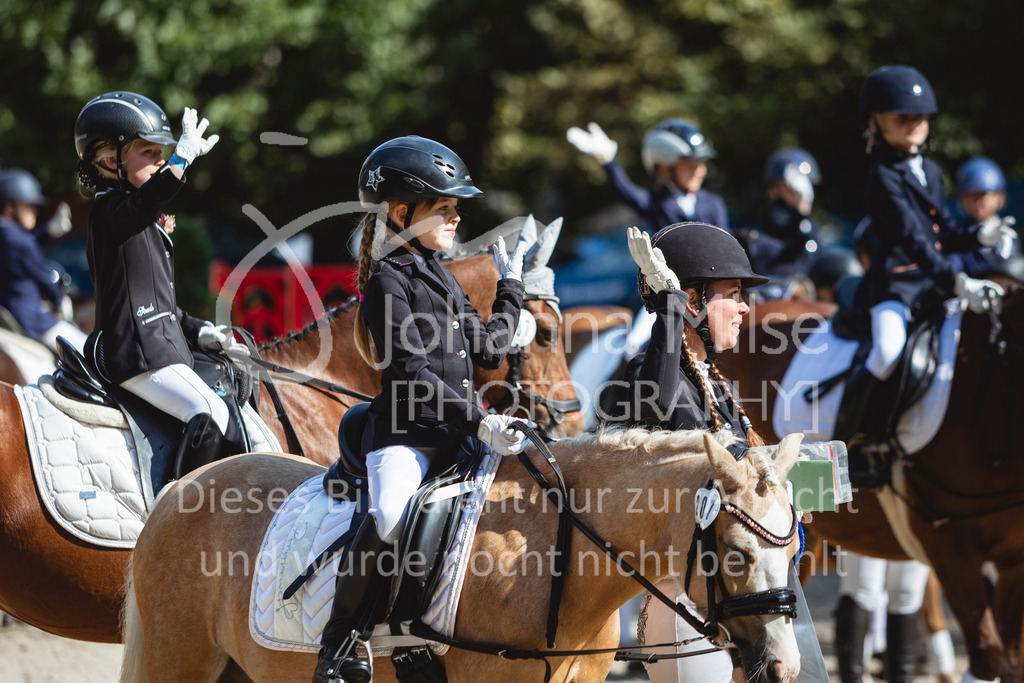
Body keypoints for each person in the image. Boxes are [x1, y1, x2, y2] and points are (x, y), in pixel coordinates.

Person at [314, 135, 535, 683]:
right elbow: (413, 375)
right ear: (401, 212)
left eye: (457, 208)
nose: (457, 218)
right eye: (445, 208)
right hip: (406, 434)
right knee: (389, 514)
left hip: (457, 433)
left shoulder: (439, 272)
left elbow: (488, 349)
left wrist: (510, 287)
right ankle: (339, 645)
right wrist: (480, 421)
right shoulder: (387, 282)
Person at [623, 221, 768, 682]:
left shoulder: (714, 380)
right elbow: (659, 404)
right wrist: (668, 308)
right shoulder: (649, 378)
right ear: (692, 302)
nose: (745, 308)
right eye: (734, 294)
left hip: (733, 588)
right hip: (687, 601)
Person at [834, 65, 1007, 447]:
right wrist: (958, 282)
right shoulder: (882, 177)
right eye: (903, 117)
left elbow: (941, 234)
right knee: (887, 352)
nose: (914, 123)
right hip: (894, 287)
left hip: (931, 285)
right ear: (877, 122)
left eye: (920, 116)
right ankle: (850, 441)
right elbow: (914, 241)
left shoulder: (929, 168)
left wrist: (980, 235)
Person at [74, 91, 234, 481]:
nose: (161, 159)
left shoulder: (136, 214)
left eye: (163, 153)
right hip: (133, 352)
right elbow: (147, 202)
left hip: (160, 346)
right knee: (211, 412)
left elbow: (162, 305)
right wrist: (181, 160)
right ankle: (177, 519)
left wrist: (201, 331)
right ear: (112, 161)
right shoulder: (110, 210)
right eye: (149, 152)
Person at [567, 119, 729, 231]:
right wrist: (608, 160)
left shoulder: (714, 203)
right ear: (666, 169)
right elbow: (626, 191)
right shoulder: (656, 203)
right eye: (690, 166)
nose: (699, 172)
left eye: (700, 165)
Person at [0, 168, 87, 352]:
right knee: (86, 351)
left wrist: (47, 232)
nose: (35, 212)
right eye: (28, 206)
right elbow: (42, 276)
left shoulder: (9, 236)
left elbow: (23, 245)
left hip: (8, 313)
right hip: (30, 319)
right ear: (9, 207)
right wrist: (59, 301)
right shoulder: (20, 242)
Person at [744, 147, 824, 281]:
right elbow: (790, 247)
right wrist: (801, 210)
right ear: (774, 190)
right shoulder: (775, 216)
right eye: (789, 188)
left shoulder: (810, 223)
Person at [953, 156, 1018, 279]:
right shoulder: (956, 236)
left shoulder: (1010, 236)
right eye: (972, 196)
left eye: (983, 195)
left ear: (999, 196)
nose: (978, 203)